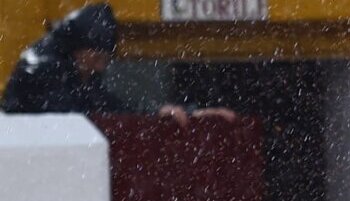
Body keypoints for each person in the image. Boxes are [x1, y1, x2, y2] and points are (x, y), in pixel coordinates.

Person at [2, 3, 234, 125]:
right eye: (96, 58)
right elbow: (78, 118)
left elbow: (107, 107)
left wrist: (165, 113)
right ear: (79, 49)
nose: (100, 67)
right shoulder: (43, 69)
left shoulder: (78, 71)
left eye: (105, 60)